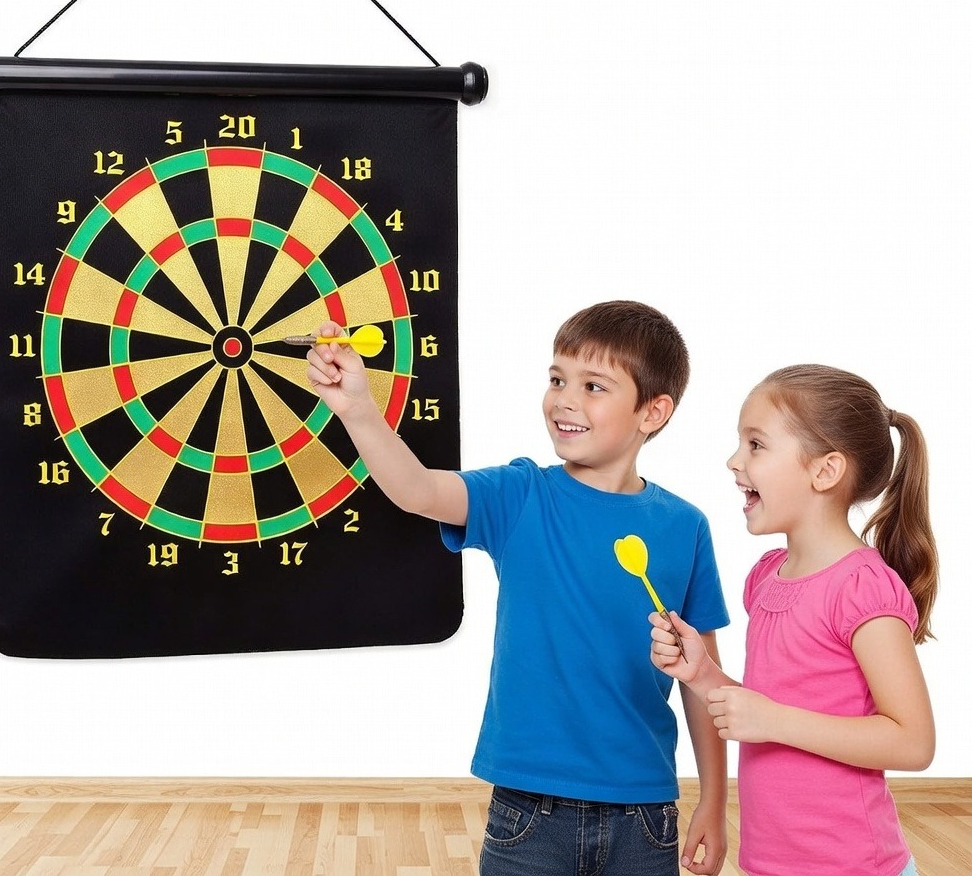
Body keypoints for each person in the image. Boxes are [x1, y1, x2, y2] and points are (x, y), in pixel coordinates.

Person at [307, 301, 731, 876]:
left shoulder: (685, 526)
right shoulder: (520, 494)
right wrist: (358, 410)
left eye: (593, 386)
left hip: (645, 815)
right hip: (528, 814)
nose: (564, 400)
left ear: (652, 412)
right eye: (557, 379)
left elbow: (703, 680)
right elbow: (417, 490)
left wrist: (714, 800)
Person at [649, 364, 938, 876]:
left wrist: (775, 721)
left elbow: (913, 742)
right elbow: (766, 707)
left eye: (756, 444)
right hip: (770, 861)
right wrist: (702, 674)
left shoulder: (862, 588)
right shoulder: (767, 578)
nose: (734, 460)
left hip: (854, 867)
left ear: (825, 472)